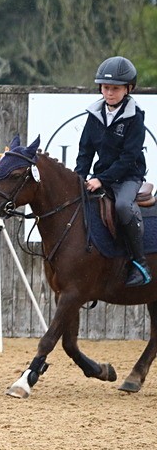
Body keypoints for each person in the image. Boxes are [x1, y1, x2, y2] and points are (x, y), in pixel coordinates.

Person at [75, 55, 150, 286]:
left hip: (129, 176)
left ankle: (140, 264)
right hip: (102, 176)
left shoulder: (134, 118)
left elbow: (129, 157)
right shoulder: (94, 115)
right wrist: (78, 178)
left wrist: (102, 179)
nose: (109, 93)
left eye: (115, 89)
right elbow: (85, 151)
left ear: (128, 89)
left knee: (122, 206)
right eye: (106, 88)